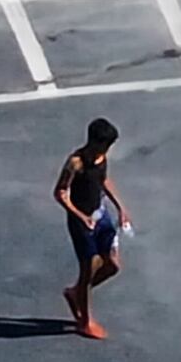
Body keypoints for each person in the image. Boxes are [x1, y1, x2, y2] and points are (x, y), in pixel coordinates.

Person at [53, 116, 130, 340]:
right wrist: (80, 216)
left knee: (112, 265)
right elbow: (60, 193)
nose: (107, 150)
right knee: (89, 269)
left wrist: (120, 208)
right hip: (81, 222)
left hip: (100, 215)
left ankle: (75, 293)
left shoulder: (101, 157)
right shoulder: (75, 163)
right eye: (105, 145)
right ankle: (85, 321)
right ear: (94, 142)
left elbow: (103, 180)